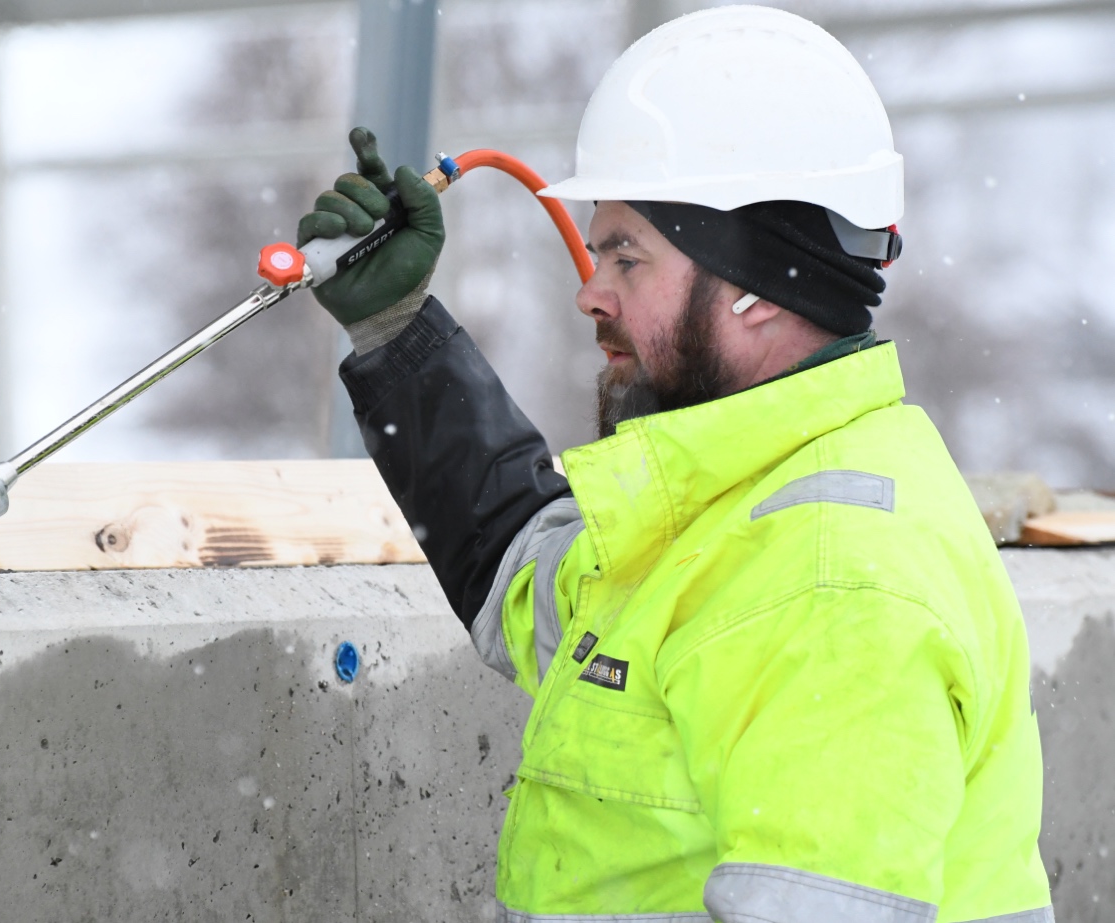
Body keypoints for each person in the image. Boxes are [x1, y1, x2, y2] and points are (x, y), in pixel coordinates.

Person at [297, 7, 1051, 921]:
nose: (589, 288)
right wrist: (399, 331)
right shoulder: (735, 505)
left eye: (627, 254)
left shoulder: (832, 584)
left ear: (753, 289)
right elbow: (532, 580)